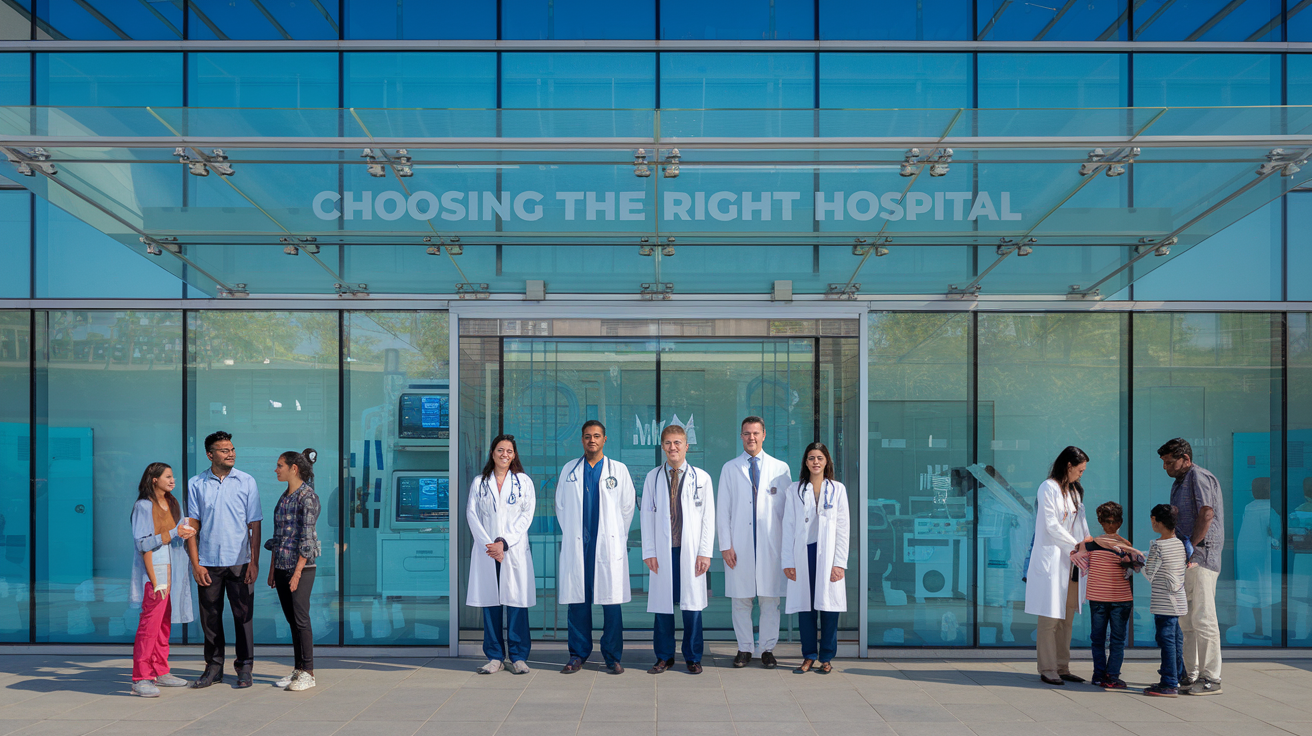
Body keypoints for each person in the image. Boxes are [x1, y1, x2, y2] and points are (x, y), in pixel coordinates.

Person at [557, 420, 637, 675]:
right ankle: (577, 654)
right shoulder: (569, 470)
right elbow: (560, 506)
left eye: (597, 436)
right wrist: (573, 533)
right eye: (588, 436)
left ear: (605, 440)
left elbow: (627, 507)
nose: (592, 440)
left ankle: (612, 657)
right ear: (582, 440)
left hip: (607, 548)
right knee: (578, 604)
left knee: (611, 606)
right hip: (579, 547)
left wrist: (615, 537)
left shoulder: (619, 470)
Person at [186, 431, 263, 689]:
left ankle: (244, 667)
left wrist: (254, 562)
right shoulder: (196, 483)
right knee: (210, 617)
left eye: (231, 449)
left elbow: (254, 524)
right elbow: (192, 525)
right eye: (223, 450)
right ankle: (213, 667)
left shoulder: (247, 481)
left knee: (244, 617)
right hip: (208, 561)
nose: (230, 453)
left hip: (240, 561)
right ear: (210, 455)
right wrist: (195, 564)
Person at [717, 416, 792, 669]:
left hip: (771, 546)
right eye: (747, 433)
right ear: (741, 436)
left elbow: (787, 513)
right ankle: (744, 648)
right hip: (740, 546)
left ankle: (767, 649)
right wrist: (725, 545)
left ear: (764, 434)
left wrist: (787, 549)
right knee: (741, 600)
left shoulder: (780, 468)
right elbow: (723, 510)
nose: (751, 438)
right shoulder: (730, 468)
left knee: (770, 600)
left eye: (756, 433)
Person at [641, 424, 715, 674]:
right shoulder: (653, 477)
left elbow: (708, 518)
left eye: (677, 443)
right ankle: (664, 656)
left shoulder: (702, 478)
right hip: (663, 551)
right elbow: (646, 516)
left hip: (691, 551)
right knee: (663, 607)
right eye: (668, 443)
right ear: (662, 446)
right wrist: (649, 551)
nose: (673, 448)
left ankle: (693, 657)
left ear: (686, 446)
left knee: (692, 607)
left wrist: (705, 552)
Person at [466, 434, 536, 675]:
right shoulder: (479, 482)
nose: (504, 454)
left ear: (514, 455)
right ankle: (494, 656)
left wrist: (504, 543)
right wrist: (491, 545)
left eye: (509, 451)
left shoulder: (523, 482)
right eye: (500, 450)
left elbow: (526, 516)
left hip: (513, 551)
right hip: (488, 553)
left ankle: (518, 656)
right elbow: (472, 515)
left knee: (516, 604)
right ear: (492, 453)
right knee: (491, 605)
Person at [1159, 437, 1224, 695]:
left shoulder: (1199, 476)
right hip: (1186, 560)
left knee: (1204, 618)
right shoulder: (1179, 482)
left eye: (1170, 462)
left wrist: (1191, 546)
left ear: (1186, 458)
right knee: (1186, 621)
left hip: (1201, 557)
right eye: (1164, 463)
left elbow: (1207, 513)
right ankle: (1191, 674)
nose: (1166, 467)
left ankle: (1212, 678)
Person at [1024, 446, 1092, 686]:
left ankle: (1063, 666)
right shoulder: (1048, 488)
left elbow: (1081, 524)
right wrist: (1075, 547)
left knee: (1067, 618)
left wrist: (1086, 546)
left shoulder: (1074, 491)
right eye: (1080, 470)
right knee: (1050, 618)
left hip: (1072, 563)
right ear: (1068, 466)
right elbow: (1050, 524)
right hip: (1053, 561)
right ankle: (1048, 668)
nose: (1081, 474)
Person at [781, 442, 850, 675]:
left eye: (820, 457)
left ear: (827, 461)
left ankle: (827, 657)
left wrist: (839, 563)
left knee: (829, 609)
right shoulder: (795, 490)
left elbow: (843, 528)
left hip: (829, 555)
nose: (816, 462)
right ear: (806, 462)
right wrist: (788, 561)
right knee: (806, 609)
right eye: (811, 458)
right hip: (804, 554)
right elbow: (788, 527)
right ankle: (809, 655)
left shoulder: (838, 490)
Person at [130, 463, 197, 697]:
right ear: (154, 479)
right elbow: (142, 544)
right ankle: (141, 677)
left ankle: (160, 669)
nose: (172, 480)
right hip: (155, 576)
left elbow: (178, 533)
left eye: (173, 476)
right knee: (149, 627)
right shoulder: (143, 506)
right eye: (168, 476)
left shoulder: (172, 504)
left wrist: (185, 532)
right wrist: (172, 534)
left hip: (174, 574)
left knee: (163, 626)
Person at [265, 449, 322, 692]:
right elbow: (278, 537)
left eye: (280, 465)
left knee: (301, 619)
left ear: (293, 468)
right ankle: (298, 669)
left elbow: (306, 538)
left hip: (302, 568)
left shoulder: (307, 497)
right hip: (281, 565)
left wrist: (298, 571)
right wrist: (272, 569)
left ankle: (308, 672)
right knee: (291, 620)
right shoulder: (284, 497)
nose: (276, 470)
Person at [1085, 501, 1138, 689]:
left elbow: (1135, 568)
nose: (1110, 524)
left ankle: (1107, 675)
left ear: (1120, 522)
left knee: (1109, 639)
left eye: (1114, 521)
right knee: (1105, 639)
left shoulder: (1097, 545)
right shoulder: (1094, 544)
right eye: (1107, 521)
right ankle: (1105, 675)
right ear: (1101, 521)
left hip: (1112, 599)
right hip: (1107, 599)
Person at [1143, 504, 1189, 697]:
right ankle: (1179, 676)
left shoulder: (1157, 545)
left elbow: (1149, 574)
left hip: (1164, 601)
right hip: (1178, 600)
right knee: (1176, 640)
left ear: (1156, 521)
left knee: (1167, 640)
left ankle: (1169, 683)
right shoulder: (1180, 543)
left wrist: (1139, 560)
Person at [1235, 477, 1279, 642]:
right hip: (1262, 557)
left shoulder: (1249, 508)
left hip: (1246, 557)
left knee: (1252, 592)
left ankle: (1257, 628)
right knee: (1265, 593)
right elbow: (1276, 534)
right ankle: (1264, 630)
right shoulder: (1269, 509)